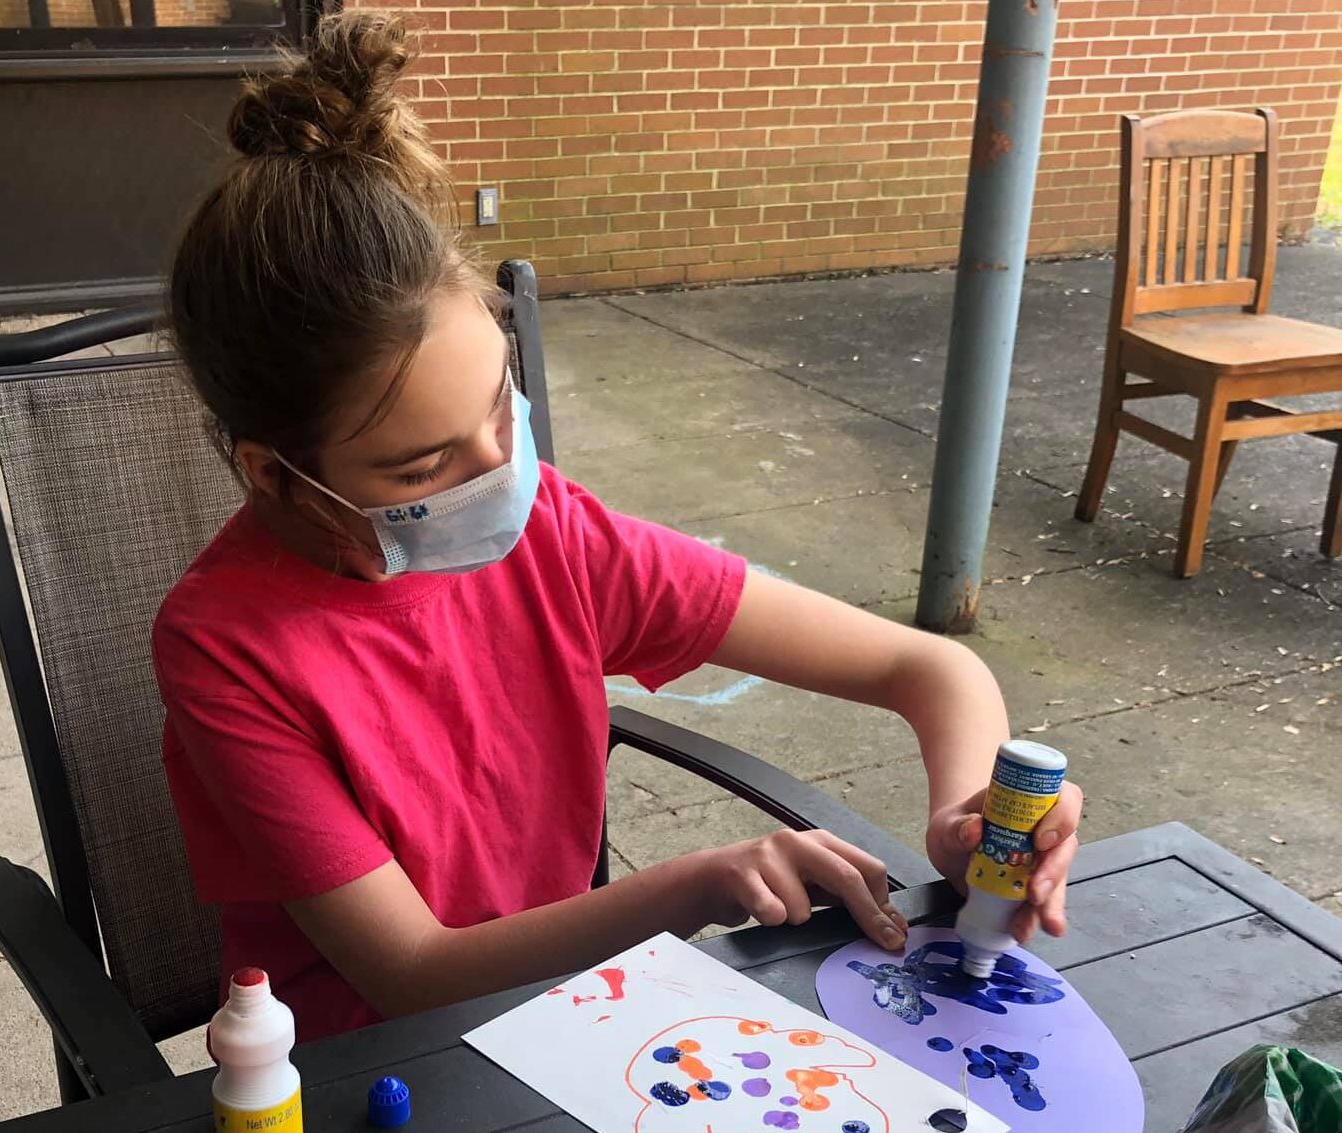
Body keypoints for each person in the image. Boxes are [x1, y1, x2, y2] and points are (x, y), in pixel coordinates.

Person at [154, 8, 1083, 1044]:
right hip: (372, 1065)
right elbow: (413, 972)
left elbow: (936, 672)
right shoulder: (225, 648)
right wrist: (695, 884)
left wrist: (968, 817)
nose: (501, 473)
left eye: (501, 407)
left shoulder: (556, 534)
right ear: (273, 472)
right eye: (423, 464)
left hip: (573, 1025)